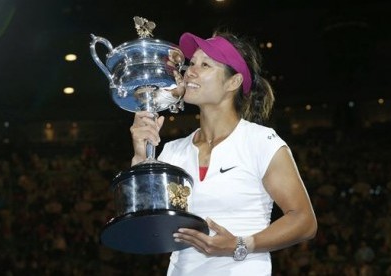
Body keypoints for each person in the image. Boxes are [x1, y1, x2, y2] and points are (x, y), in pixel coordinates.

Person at [130, 29, 317, 275]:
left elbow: (304, 221)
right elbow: (146, 226)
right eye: (192, 63)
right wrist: (141, 157)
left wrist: (240, 244)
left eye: (205, 65)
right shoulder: (171, 151)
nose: (190, 71)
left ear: (233, 82)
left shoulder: (261, 142)